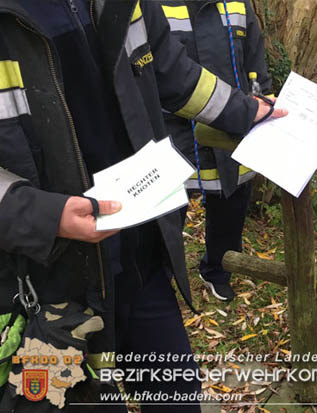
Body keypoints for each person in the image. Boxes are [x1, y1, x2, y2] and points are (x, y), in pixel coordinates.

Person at [0, 0, 284, 412]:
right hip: (46, 286)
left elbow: (174, 72)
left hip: (138, 257)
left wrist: (245, 110)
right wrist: (44, 215)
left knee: (178, 397)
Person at [160, 0, 273, 301]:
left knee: (231, 207)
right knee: (166, 217)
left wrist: (264, 100)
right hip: (174, 135)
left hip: (235, 131)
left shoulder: (237, 4)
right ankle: (161, 279)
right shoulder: (151, 6)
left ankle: (217, 270)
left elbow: (255, 59)